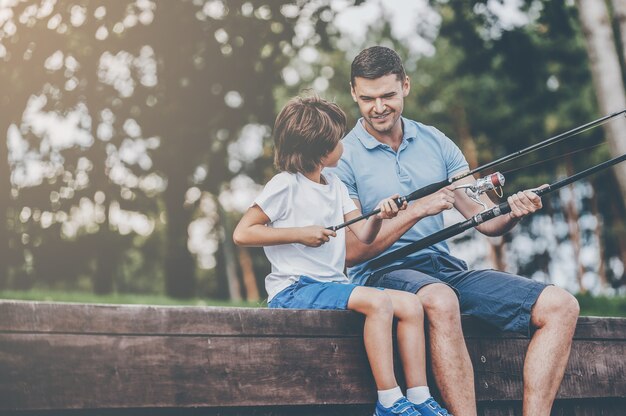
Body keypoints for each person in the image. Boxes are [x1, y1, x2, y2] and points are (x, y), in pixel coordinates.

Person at [326, 46, 580, 416]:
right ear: (353, 93)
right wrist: (419, 210)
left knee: (561, 306)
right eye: (367, 98)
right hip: (383, 272)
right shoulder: (341, 157)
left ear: (406, 86)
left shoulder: (437, 142)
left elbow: (484, 219)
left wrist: (512, 211)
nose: (378, 106)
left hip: (445, 267)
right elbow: (351, 252)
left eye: (388, 95)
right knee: (442, 298)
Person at [233, 94, 452, 416]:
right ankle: (390, 401)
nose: (343, 144)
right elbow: (243, 232)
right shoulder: (285, 185)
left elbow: (362, 234)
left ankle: (418, 396)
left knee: (411, 305)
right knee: (379, 302)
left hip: (332, 285)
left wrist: (379, 215)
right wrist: (299, 233)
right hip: (295, 289)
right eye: (337, 139)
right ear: (321, 150)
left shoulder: (334, 185)